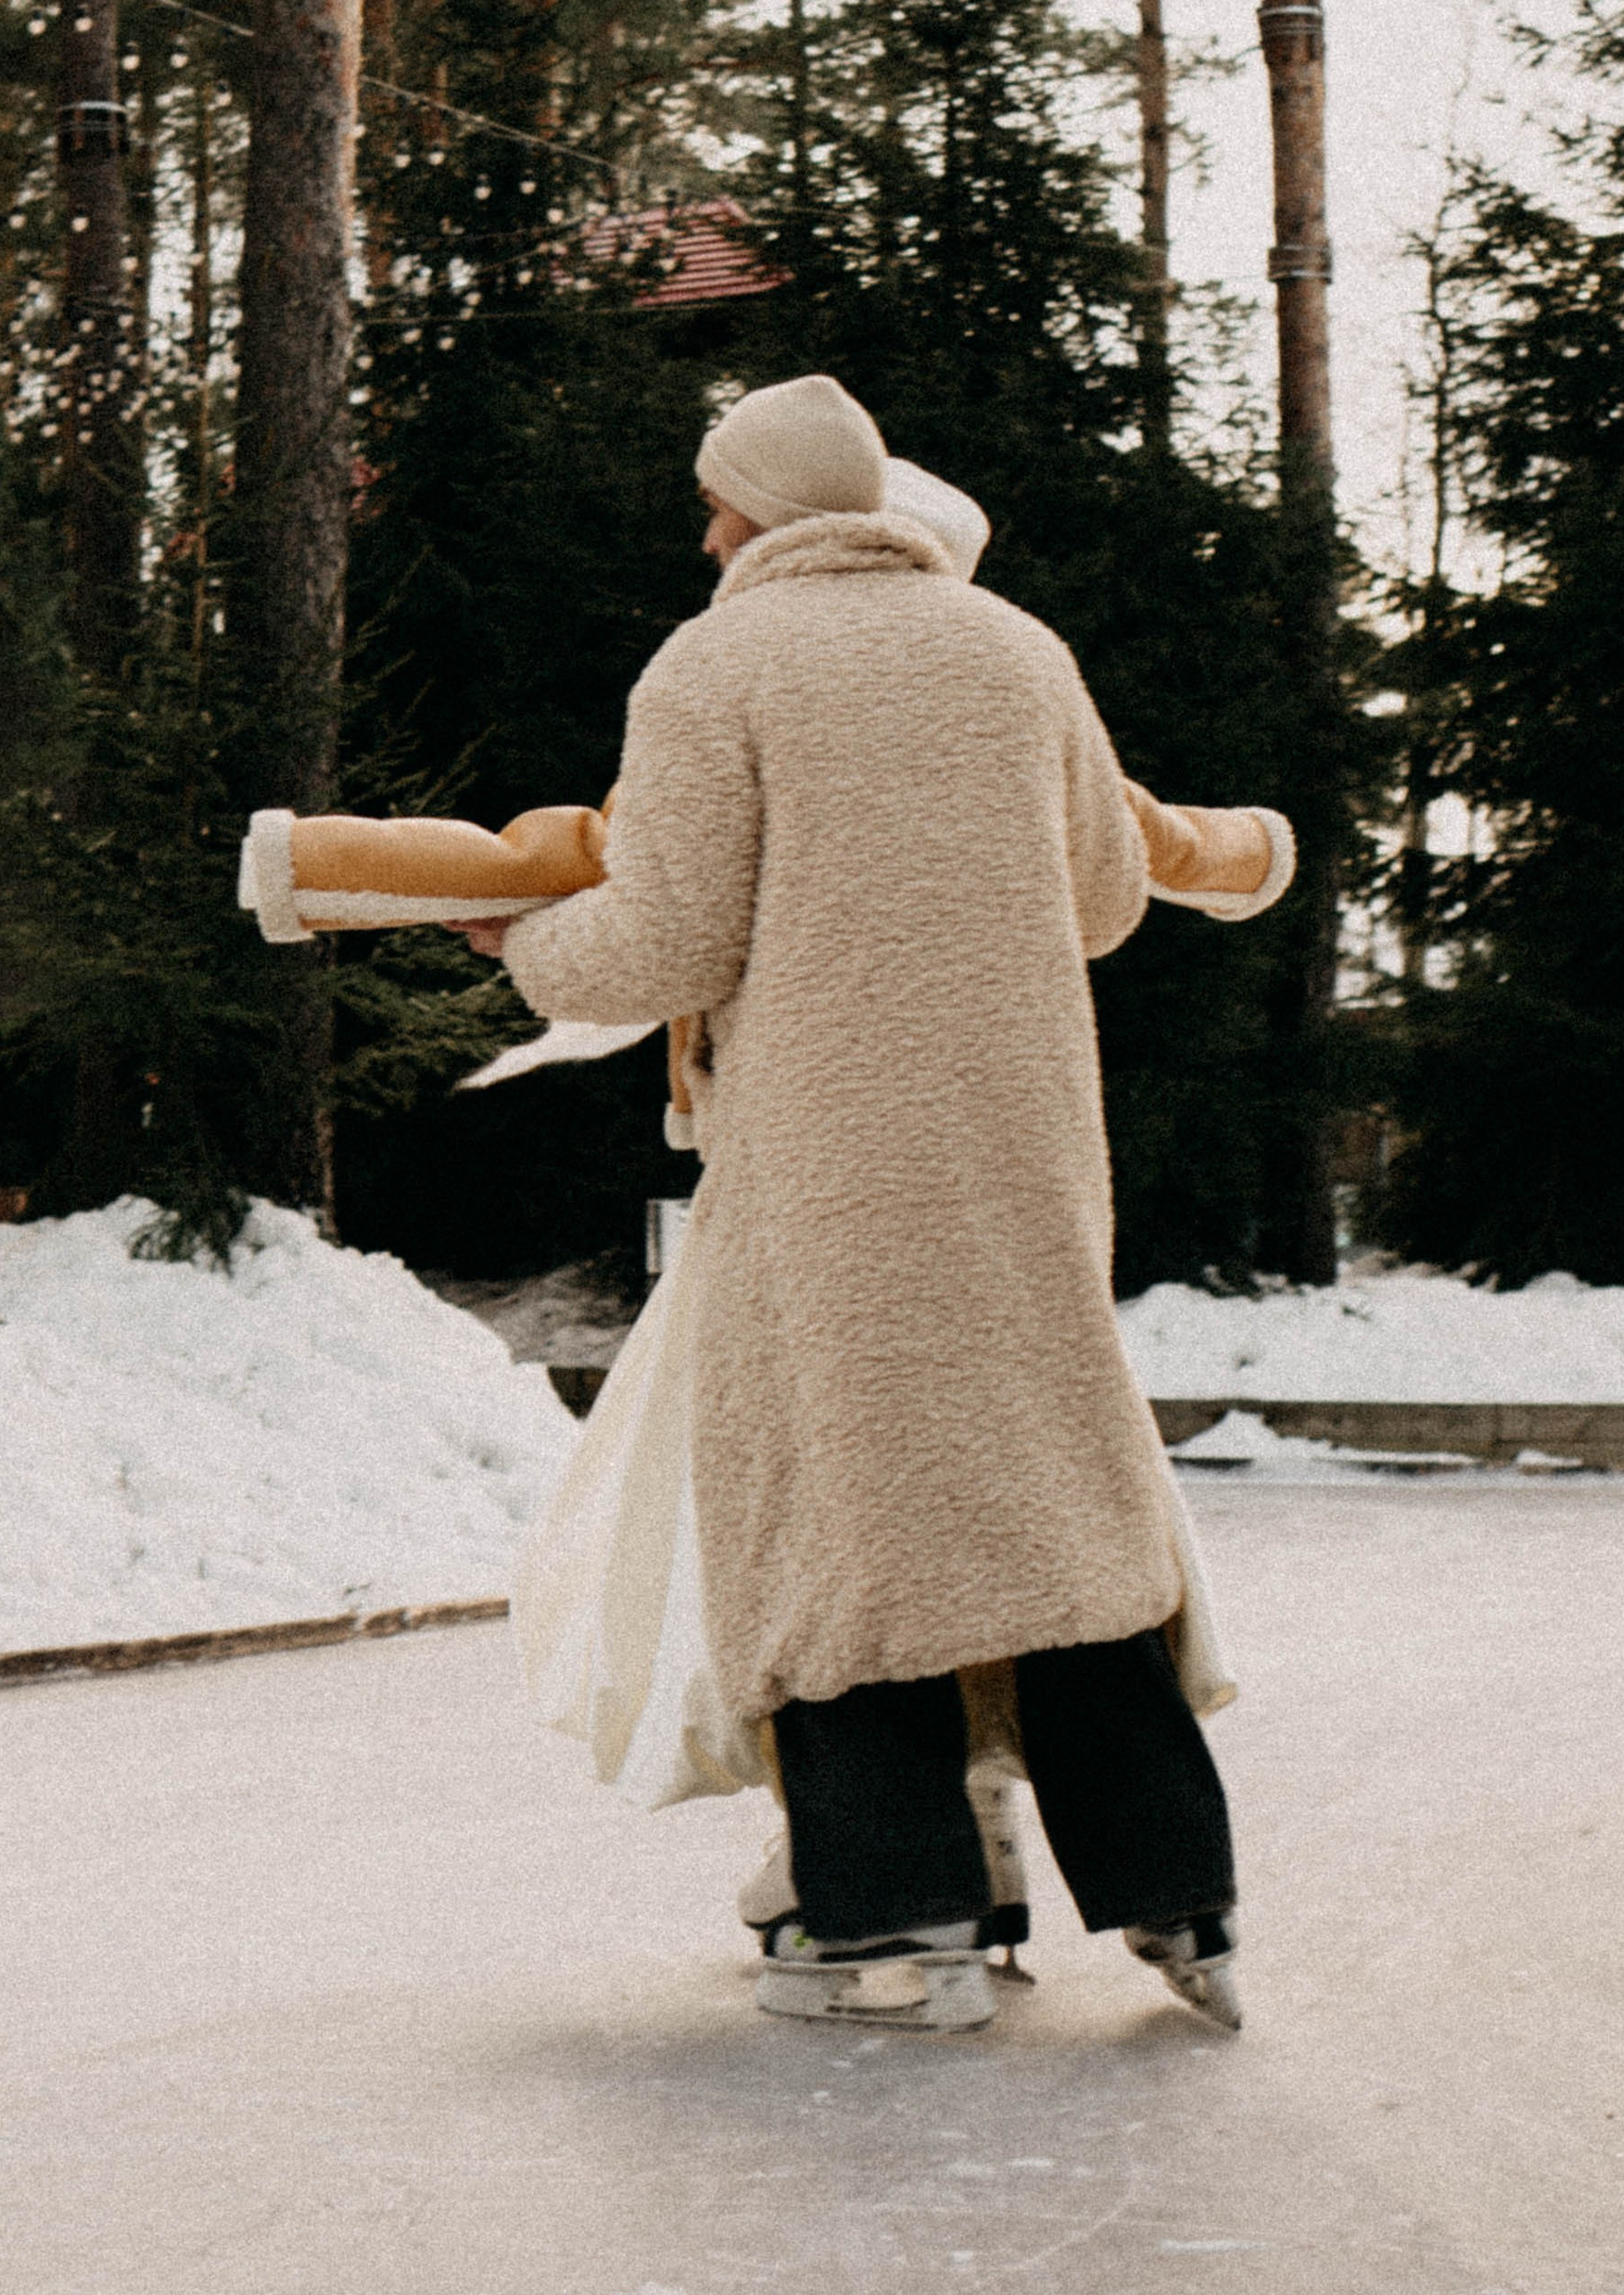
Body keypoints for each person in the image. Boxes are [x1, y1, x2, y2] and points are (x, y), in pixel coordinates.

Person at [450, 374, 1254, 2037]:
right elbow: (1105, 900)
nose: (705, 530)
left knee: (838, 1512)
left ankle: (896, 1927)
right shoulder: (1017, 647)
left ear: (762, 514)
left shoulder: (717, 660)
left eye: (717, 501)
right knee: (1046, 1494)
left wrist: (521, 948)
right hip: (1025, 1146)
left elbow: (666, 934)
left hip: (827, 1160)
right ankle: (1182, 1892)